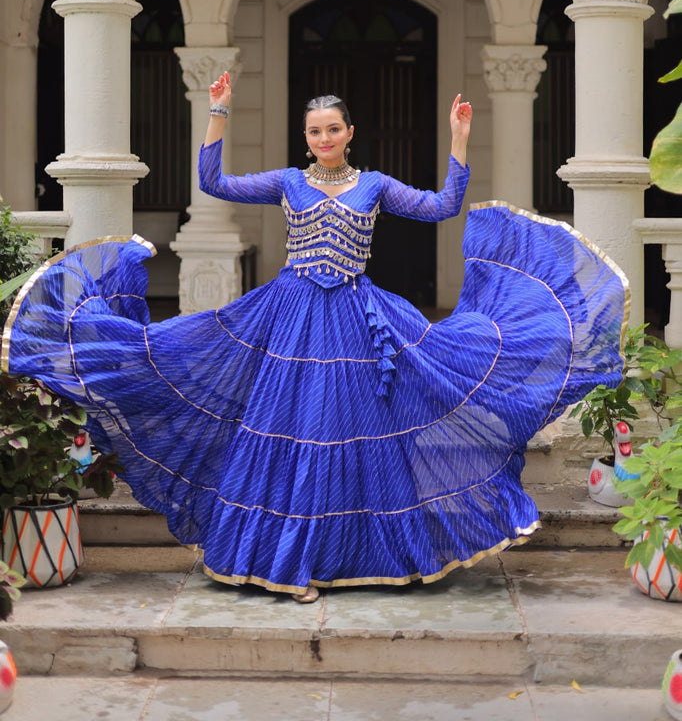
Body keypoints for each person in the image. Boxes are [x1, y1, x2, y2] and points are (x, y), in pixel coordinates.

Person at [2, 75, 628, 604]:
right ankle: (282, 563)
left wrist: (460, 136)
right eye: (314, 131)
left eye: (333, 129)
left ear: (349, 133)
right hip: (291, 316)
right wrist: (218, 109)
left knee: (352, 431)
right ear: (306, 139)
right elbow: (215, 182)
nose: (324, 138)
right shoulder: (288, 182)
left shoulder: (376, 185)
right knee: (289, 427)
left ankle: (357, 557)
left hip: (357, 317)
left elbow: (443, 205)